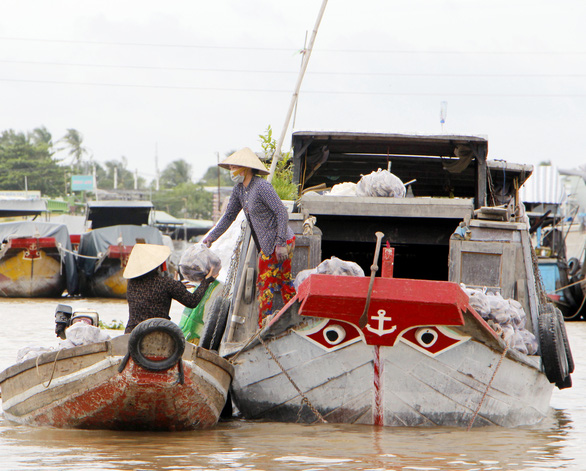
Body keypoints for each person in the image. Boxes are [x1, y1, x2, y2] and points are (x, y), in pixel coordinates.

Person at [202, 147, 296, 326]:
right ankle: (293, 317)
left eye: (233, 168)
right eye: (229, 168)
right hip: (268, 245)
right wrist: (211, 237)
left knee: (265, 286)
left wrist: (281, 242)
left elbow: (281, 213)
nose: (231, 171)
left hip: (280, 242)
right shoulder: (239, 190)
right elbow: (228, 216)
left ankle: (264, 326)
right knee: (282, 283)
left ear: (244, 169)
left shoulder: (262, 186)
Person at [123, 243, 217, 334]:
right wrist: (206, 281)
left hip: (131, 333)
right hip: (159, 334)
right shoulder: (167, 283)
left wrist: (177, 286)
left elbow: (151, 293)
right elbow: (192, 301)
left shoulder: (131, 283)